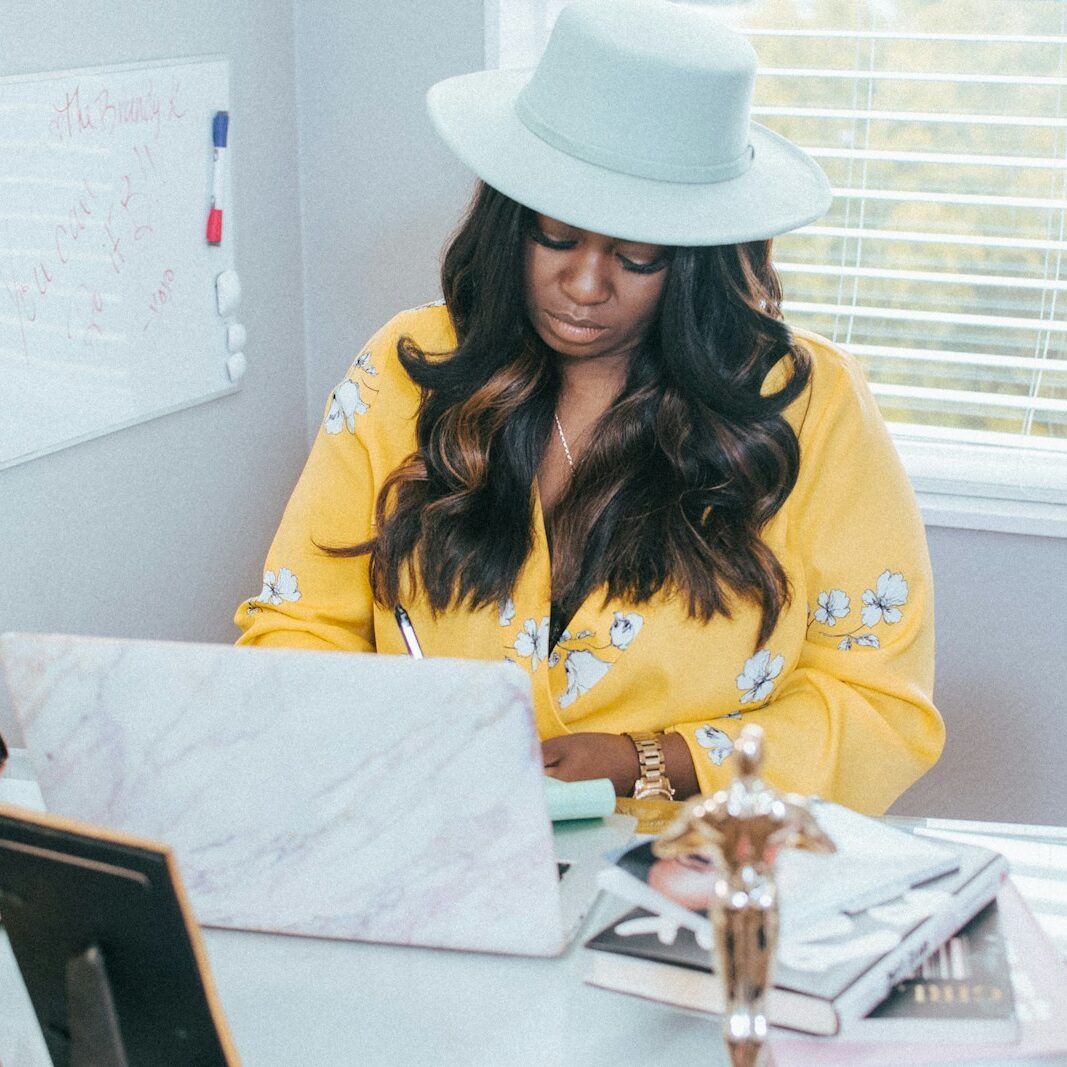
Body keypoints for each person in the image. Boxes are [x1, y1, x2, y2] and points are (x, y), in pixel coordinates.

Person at [236, 0, 944, 815]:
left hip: (689, 868)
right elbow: (297, 631)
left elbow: (876, 706)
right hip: (426, 833)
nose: (583, 285)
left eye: (635, 256)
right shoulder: (408, 373)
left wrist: (646, 761)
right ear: (511, 224)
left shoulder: (807, 407)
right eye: (556, 238)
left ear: (698, 259)